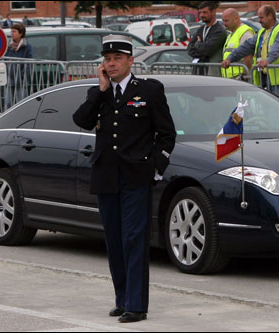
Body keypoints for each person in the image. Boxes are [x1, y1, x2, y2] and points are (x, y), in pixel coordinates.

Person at [72, 35, 176, 323]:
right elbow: (80, 120)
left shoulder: (150, 90)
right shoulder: (101, 93)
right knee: (114, 240)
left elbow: (167, 134)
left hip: (136, 177)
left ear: (131, 61)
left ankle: (136, 305)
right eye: (107, 59)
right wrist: (101, 90)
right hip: (106, 176)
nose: (111, 63)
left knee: (134, 239)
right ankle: (122, 298)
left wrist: (156, 168)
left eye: (117, 58)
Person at [221, 5, 279, 103]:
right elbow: (246, 46)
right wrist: (230, 58)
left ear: (270, 16)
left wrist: (267, 60)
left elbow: (276, 50)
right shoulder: (262, 32)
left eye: (261, 17)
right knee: (271, 109)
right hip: (267, 78)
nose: (259, 20)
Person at [187, 1, 227, 76]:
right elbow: (190, 49)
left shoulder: (219, 30)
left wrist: (198, 44)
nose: (201, 15)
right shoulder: (201, 29)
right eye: (200, 13)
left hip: (212, 73)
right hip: (199, 72)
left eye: (205, 12)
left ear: (213, 12)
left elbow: (208, 50)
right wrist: (203, 53)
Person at [4, 23, 33, 109]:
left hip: (21, 80)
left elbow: (29, 63)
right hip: (8, 79)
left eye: (14, 31)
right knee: (8, 102)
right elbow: (4, 60)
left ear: (21, 34)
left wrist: (22, 75)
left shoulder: (27, 46)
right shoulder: (8, 46)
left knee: (21, 102)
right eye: (11, 31)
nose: (12, 33)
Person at [220, 8, 254, 80]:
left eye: (226, 20)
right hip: (231, 78)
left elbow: (249, 55)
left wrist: (245, 76)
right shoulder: (230, 35)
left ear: (236, 19)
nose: (224, 23)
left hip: (240, 78)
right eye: (223, 21)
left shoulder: (245, 32)